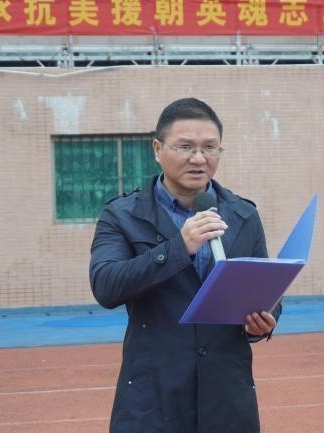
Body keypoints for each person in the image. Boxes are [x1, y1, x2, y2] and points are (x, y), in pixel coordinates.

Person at [89, 97, 281, 433]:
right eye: (185, 147)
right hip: (153, 398)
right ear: (157, 149)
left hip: (227, 398)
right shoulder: (122, 215)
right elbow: (106, 285)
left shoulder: (243, 214)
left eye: (209, 147)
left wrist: (263, 321)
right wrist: (178, 248)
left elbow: (264, 288)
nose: (199, 158)